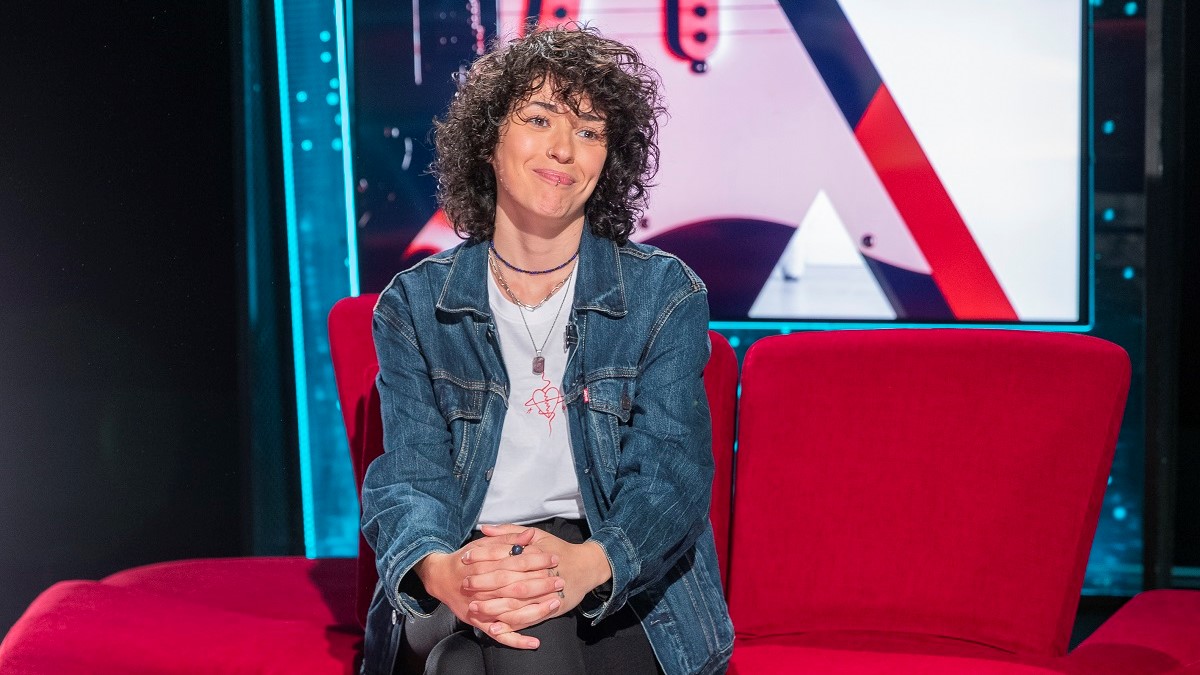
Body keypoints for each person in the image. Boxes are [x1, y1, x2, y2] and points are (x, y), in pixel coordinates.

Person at [362, 25, 733, 675]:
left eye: (589, 132)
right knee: (502, 638)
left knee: (464, 662)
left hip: (617, 572)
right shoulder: (415, 306)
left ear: (608, 161)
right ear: (489, 141)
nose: (564, 148)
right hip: (464, 558)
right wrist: (447, 572)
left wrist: (582, 565)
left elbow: (670, 478)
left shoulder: (663, 294)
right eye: (539, 119)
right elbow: (410, 477)